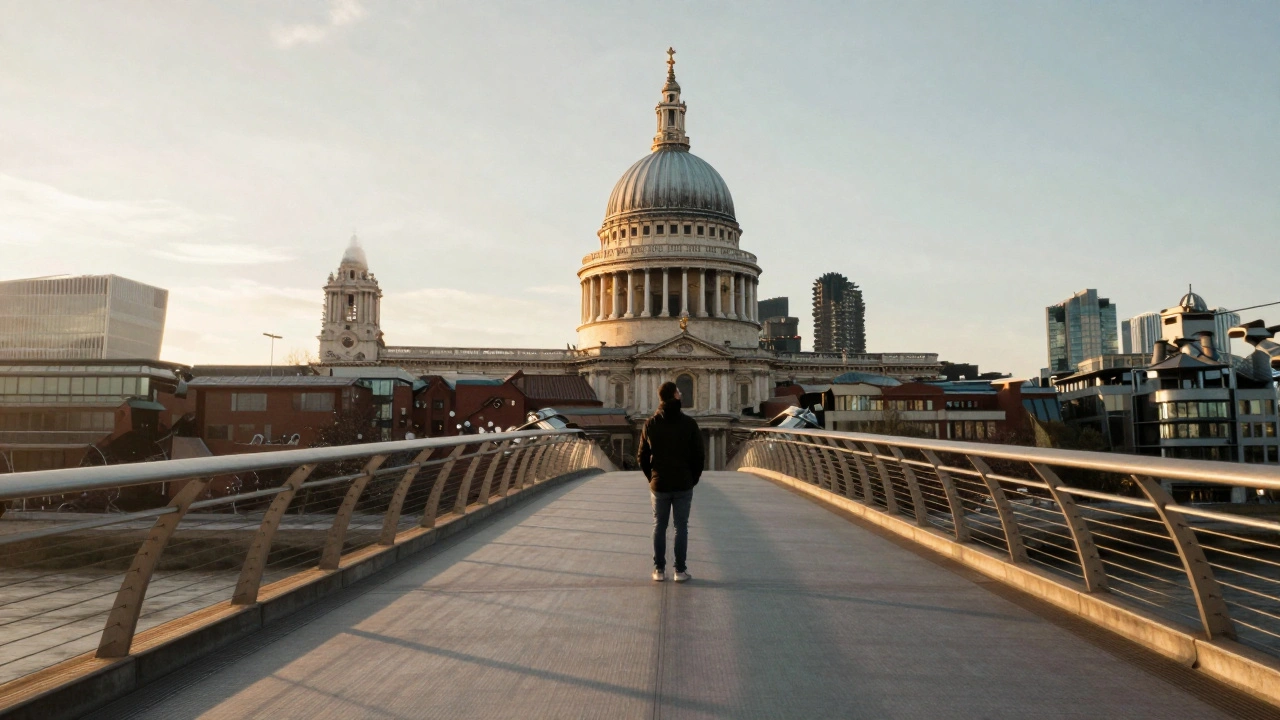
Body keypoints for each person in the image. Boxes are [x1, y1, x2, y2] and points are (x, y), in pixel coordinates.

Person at [638, 380, 704, 582]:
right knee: (681, 527)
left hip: (660, 483)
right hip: (683, 483)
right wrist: (693, 479)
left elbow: (641, 456)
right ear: (674, 396)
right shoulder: (689, 424)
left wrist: (652, 478)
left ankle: (658, 570)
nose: (681, 394)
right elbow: (699, 455)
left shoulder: (650, 423)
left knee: (659, 526)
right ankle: (680, 571)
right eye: (678, 391)